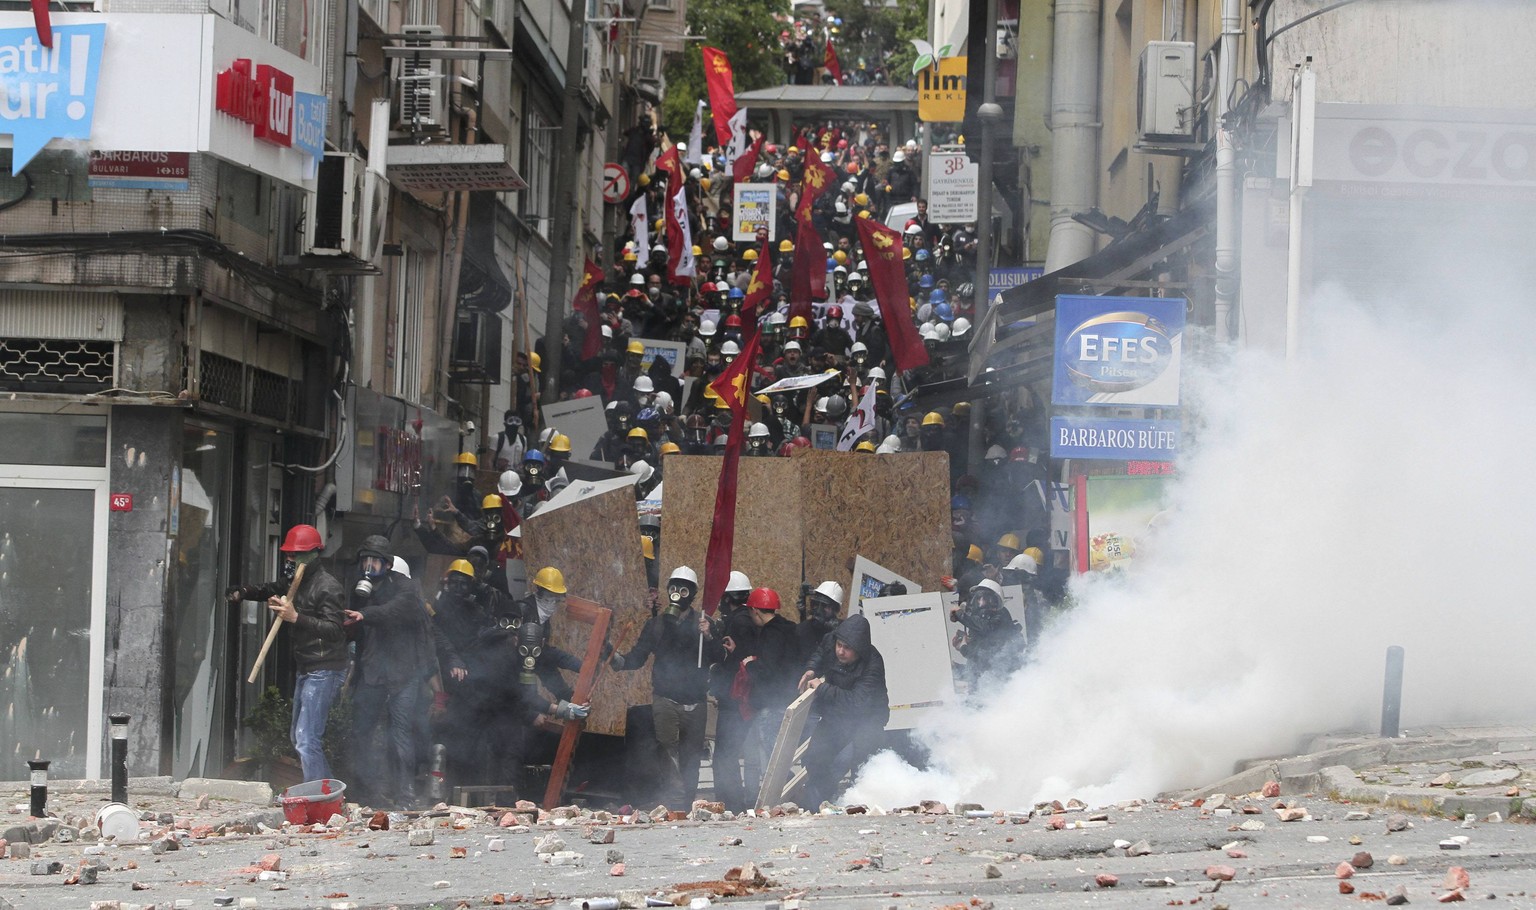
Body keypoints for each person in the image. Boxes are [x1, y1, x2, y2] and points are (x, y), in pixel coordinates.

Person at [225, 524, 347, 783]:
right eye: (288, 554)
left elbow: (335, 630)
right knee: (300, 737)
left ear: (312, 555)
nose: (290, 559)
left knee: (306, 739)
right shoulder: (296, 581)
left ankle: (317, 795)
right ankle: (328, 791)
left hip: (325, 669)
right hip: (307, 667)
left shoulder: (328, 587)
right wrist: (244, 592)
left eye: (295, 554)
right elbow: (270, 588)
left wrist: (295, 617)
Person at [608, 566, 720, 807]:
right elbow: (637, 658)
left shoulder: (703, 624)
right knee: (668, 751)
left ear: (692, 593)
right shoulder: (656, 625)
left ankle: (688, 801)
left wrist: (710, 635)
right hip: (666, 699)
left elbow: (719, 657)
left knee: (691, 755)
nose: (677, 594)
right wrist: (616, 659)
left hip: (696, 700)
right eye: (673, 589)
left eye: (684, 589)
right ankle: (673, 800)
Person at [344, 535, 432, 808]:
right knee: (361, 731)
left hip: (403, 673)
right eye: (365, 560)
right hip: (372, 670)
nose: (369, 566)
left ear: (388, 564)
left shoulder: (404, 587)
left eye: (375, 561)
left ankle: (405, 794)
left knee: (401, 731)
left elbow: (396, 610)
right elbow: (355, 629)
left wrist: (366, 614)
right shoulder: (360, 590)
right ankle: (365, 791)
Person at [799, 613, 887, 808]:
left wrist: (822, 689)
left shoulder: (873, 664)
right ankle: (819, 806)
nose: (840, 651)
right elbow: (821, 653)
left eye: (847, 648)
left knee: (862, 767)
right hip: (835, 714)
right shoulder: (831, 640)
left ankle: (863, 807)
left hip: (867, 719)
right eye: (839, 645)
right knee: (815, 758)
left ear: (860, 650)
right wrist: (811, 669)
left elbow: (857, 702)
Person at [731, 587, 799, 799]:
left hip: (771, 705)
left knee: (771, 758)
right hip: (789, 702)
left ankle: (784, 796)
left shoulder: (770, 634)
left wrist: (748, 664)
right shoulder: (790, 629)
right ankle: (788, 795)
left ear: (755, 612)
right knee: (781, 754)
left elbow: (767, 670)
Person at [704, 570, 758, 812]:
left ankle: (728, 807)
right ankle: (734, 805)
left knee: (724, 757)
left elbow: (729, 660)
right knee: (734, 755)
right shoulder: (751, 621)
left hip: (733, 702)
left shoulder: (737, 623)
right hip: (745, 700)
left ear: (728, 598)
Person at [950, 579, 1024, 692]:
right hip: (984, 693)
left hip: (998, 692)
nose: (980, 602)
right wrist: (956, 667)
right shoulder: (984, 624)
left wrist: (964, 648)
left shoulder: (1000, 617)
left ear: (994, 601)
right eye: (978, 597)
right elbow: (975, 671)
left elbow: (985, 660)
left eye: (984, 597)